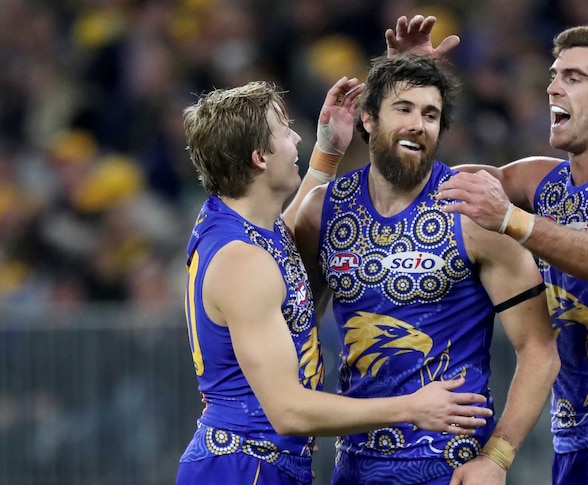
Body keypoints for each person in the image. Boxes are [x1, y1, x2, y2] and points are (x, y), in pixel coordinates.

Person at [390, 19, 588, 484]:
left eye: (574, 78)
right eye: (555, 76)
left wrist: (512, 220)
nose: (553, 88)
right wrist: (408, 85)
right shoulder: (540, 179)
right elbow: (424, 181)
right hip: (571, 439)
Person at [176, 77, 496, 485]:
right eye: (284, 128)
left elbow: (285, 250)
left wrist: (329, 151)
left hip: (258, 461)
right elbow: (289, 412)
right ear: (259, 157)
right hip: (244, 466)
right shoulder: (244, 262)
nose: (296, 138)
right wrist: (411, 407)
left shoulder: (242, 226)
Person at [294, 54, 559, 485]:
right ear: (368, 118)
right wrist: (323, 155)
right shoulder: (323, 210)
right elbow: (289, 313)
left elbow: (540, 348)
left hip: (450, 469)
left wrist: (498, 457)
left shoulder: (472, 212)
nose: (419, 124)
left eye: (431, 114)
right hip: (355, 468)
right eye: (404, 109)